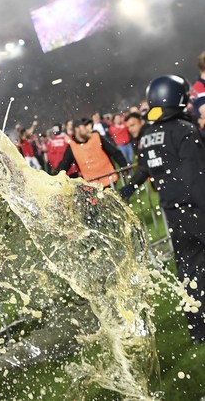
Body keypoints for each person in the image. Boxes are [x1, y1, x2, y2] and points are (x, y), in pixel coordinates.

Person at [121, 75, 205, 343]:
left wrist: (126, 190)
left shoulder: (147, 135)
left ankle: (198, 329)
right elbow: (196, 179)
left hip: (173, 214)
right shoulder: (184, 130)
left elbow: (143, 169)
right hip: (197, 210)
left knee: (190, 272)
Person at [55, 117, 128, 188]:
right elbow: (64, 164)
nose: (86, 129)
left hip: (109, 177)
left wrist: (123, 165)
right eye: (83, 127)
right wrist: (55, 178)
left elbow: (114, 152)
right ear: (77, 129)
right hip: (91, 184)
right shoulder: (72, 147)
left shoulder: (96, 137)